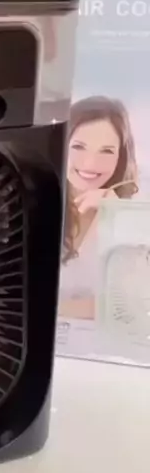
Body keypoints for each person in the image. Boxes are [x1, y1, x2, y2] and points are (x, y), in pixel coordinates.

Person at [59, 96, 138, 320]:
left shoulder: (128, 217)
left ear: (120, 157)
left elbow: (128, 307)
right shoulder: (31, 204)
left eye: (107, 151)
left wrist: (114, 216)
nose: (90, 163)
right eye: (78, 147)